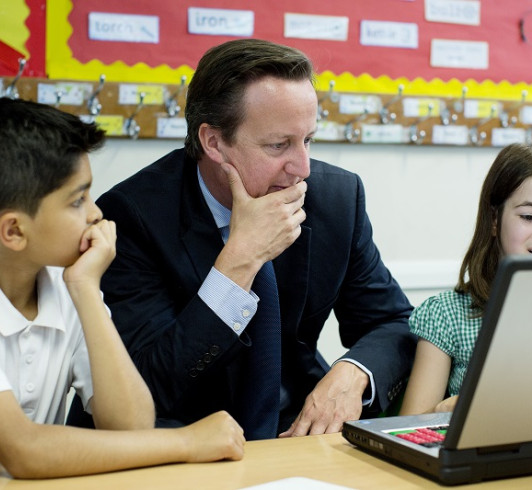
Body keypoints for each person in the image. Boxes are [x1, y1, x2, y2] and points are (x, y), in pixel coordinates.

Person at [66, 38, 416, 440]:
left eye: (308, 140)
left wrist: (354, 374)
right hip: (179, 437)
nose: (301, 168)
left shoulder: (336, 199)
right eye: (278, 145)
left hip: (294, 430)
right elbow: (152, 385)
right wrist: (239, 261)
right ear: (213, 142)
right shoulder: (133, 214)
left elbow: (394, 322)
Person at [0, 98, 244, 490]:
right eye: (77, 201)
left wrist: (86, 291)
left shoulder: (67, 283)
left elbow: (130, 424)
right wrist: (186, 441)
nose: (95, 214)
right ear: (14, 231)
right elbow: (23, 450)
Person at [400, 141, 532, 416]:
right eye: (529, 216)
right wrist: (449, 410)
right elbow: (406, 428)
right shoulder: (447, 315)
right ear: (495, 219)